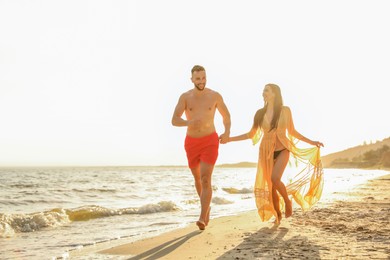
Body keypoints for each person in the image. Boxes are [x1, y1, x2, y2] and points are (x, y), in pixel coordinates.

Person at [222, 83, 324, 224]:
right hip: (265, 152)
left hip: (282, 149)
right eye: (263, 90)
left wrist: (312, 142)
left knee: (275, 179)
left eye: (267, 90)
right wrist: (229, 139)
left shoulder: (285, 110)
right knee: (271, 187)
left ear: (275, 93)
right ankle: (278, 216)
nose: (264, 92)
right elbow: (251, 134)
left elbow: (293, 131)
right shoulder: (259, 113)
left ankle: (287, 202)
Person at [171, 65, 231, 230]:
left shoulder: (215, 96)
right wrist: (188, 122)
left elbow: (226, 116)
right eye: (198, 79)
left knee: (205, 178)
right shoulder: (185, 97)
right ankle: (207, 209)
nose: (201, 81)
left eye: (203, 78)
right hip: (191, 142)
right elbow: (174, 119)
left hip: (210, 141)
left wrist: (227, 131)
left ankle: (202, 217)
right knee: (197, 179)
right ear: (192, 80)